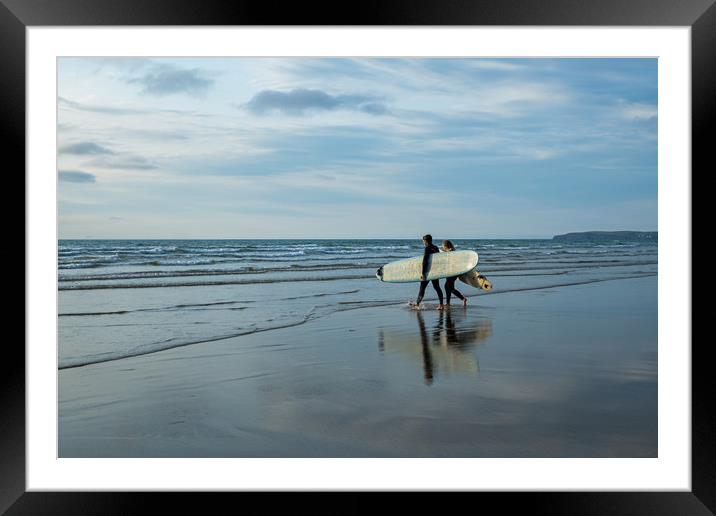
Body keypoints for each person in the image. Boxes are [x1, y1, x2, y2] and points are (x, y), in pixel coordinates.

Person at [410, 234, 444, 310]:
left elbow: (425, 261)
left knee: (422, 288)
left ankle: (417, 305)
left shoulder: (427, 248)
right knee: (437, 287)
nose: (423, 242)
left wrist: (423, 273)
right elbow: (438, 260)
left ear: (425, 241)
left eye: (423, 241)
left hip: (428, 272)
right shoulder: (435, 248)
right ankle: (441, 305)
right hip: (434, 271)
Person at [441, 240, 467, 307]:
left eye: (443, 246)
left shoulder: (450, 252)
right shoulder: (452, 251)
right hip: (453, 272)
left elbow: (450, 262)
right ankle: (448, 303)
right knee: (448, 287)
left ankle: (463, 298)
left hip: (452, 272)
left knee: (449, 287)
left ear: (446, 246)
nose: (443, 247)